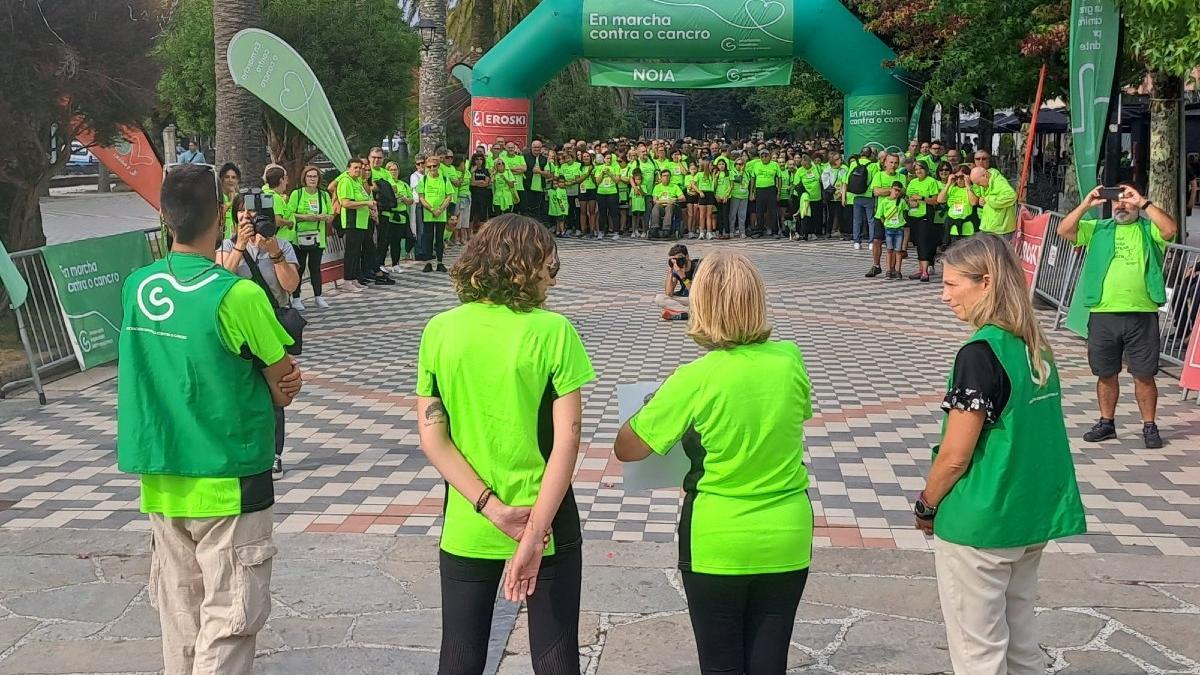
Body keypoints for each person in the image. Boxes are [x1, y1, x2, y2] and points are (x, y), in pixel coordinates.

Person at [117, 164, 302, 673]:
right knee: (231, 620)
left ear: (164, 216)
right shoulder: (235, 294)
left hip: (162, 475)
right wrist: (282, 383)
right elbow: (282, 377)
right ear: (220, 217)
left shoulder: (137, 286)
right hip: (229, 476)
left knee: (180, 616)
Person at [615, 250, 814, 675]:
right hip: (787, 531)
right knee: (769, 660)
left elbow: (628, 447)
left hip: (716, 536)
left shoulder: (694, 378)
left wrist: (659, 401)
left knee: (721, 661)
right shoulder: (790, 360)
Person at [416, 214, 593, 675]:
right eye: (548, 268)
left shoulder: (440, 330)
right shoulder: (553, 332)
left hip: (469, 518)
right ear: (522, 266)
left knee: (459, 654)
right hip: (547, 520)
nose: (551, 280)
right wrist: (533, 535)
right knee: (555, 657)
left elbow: (433, 436)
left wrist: (491, 508)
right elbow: (566, 445)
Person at [916, 234, 1085, 675]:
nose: (945, 295)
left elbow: (955, 453)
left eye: (953, 284)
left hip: (983, 520)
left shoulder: (980, 352)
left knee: (978, 653)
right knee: (1021, 644)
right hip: (1029, 514)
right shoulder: (1034, 344)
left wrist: (926, 502)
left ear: (985, 282)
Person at [1057, 183, 1178, 449]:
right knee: (1106, 372)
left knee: (1144, 374)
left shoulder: (1148, 229)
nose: (1121, 206)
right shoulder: (1098, 229)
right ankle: (1106, 423)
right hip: (1103, 312)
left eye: (1127, 201)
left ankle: (1149, 425)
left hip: (1141, 313)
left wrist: (1144, 203)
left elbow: (1170, 230)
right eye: (1117, 202)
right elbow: (1064, 230)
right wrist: (1086, 204)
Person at [219, 191, 301, 476]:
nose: (247, 218)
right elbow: (220, 281)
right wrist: (240, 246)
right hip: (237, 330)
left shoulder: (282, 246)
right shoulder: (226, 247)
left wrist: (274, 251)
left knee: (275, 392)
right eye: (241, 213)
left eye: (252, 213)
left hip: (271, 327)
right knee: (238, 389)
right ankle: (242, 448)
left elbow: (290, 286)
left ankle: (274, 452)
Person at [287, 165, 335, 309]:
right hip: (299, 237)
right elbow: (290, 214)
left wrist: (326, 217)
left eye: (315, 176)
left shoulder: (323, 195)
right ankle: (296, 298)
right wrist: (306, 217)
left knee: (315, 267)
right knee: (299, 268)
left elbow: (331, 214)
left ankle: (318, 296)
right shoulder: (297, 194)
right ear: (304, 178)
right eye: (310, 176)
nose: (312, 179)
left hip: (317, 237)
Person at [866, 155, 906, 277]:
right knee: (877, 240)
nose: (893, 165)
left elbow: (903, 192)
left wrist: (887, 191)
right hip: (881, 214)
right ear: (885, 163)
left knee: (893, 244)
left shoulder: (902, 176)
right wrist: (894, 190)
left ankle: (892, 269)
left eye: (896, 162)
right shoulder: (879, 175)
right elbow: (876, 192)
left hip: (896, 217)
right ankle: (876, 266)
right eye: (891, 162)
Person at [418, 155, 456, 273]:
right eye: (429, 166)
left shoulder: (444, 179)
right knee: (428, 238)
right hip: (428, 214)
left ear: (438, 166)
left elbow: (449, 196)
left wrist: (440, 209)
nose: (432, 168)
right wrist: (431, 209)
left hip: (441, 214)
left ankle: (440, 262)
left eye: (434, 166)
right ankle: (428, 262)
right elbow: (421, 197)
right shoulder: (423, 180)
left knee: (439, 239)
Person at [906, 161, 942, 282]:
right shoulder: (912, 182)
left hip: (925, 215)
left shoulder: (931, 181)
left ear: (926, 170)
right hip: (913, 215)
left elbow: (936, 200)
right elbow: (908, 197)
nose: (918, 172)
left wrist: (921, 198)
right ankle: (920, 269)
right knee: (917, 242)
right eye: (916, 170)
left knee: (924, 243)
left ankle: (925, 271)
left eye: (921, 169)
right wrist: (911, 202)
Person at [655, 243, 699, 321]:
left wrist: (683, 276)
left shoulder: (697, 267)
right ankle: (690, 313)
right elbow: (669, 293)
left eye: (679, 258)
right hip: (686, 299)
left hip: (698, 298)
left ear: (687, 257)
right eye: (674, 259)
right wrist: (671, 270)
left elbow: (695, 292)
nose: (677, 262)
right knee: (659, 298)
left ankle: (686, 314)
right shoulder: (677, 268)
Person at [971, 166, 1017, 240]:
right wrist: (981, 200)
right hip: (989, 227)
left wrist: (988, 199)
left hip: (1001, 229)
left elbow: (1012, 196)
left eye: (978, 183)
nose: (979, 185)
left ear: (985, 176)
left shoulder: (999, 181)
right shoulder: (986, 181)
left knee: (999, 251)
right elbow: (980, 195)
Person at [875, 181, 908, 280]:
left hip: (899, 228)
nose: (897, 192)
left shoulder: (901, 202)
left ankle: (898, 271)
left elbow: (906, 211)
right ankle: (888, 270)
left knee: (898, 251)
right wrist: (885, 224)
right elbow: (880, 215)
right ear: (891, 189)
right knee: (889, 250)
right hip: (889, 228)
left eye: (899, 191)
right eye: (895, 190)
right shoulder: (884, 202)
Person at [650, 170, 683, 238]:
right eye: (664, 176)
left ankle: (666, 229)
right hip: (661, 206)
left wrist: (675, 199)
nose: (666, 177)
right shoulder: (657, 187)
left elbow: (683, 198)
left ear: (670, 177)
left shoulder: (675, 186)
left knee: (669, 207)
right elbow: (655, 200)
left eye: (668, 176)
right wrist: (667, 201)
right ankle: (654, 228)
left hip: (671, 207)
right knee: (656, 207)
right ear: (661, 178)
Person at [219, 162, 241, 240]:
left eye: (233, 177)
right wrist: (231, 202)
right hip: (221, 242)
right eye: (227, 177)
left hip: (236, 241)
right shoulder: (218, 196)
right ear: (221, 179)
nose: (230, 180)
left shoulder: (239, 198)